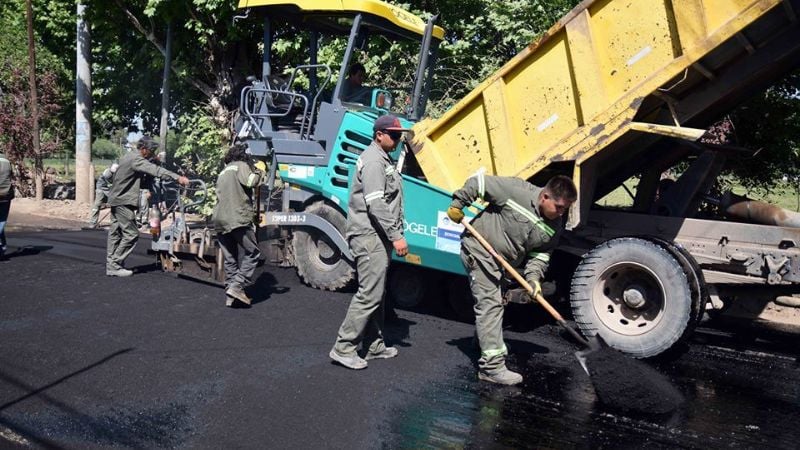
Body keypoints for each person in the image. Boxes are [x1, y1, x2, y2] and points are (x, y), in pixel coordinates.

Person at [447, 174, 577, 385]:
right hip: (479, 250)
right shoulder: (515, 191)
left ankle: (482, 343)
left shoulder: (555, 225)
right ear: (545, 197)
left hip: (503, 263)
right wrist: (458, 203)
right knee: (491, 304)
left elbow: (541, 255)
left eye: (566, 209)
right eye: (559, 207)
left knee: (498, 301)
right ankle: (492, 367)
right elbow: (479, 183)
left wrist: (534, 279)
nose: (562, 213)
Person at [329, 114, 410, 370]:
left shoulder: (381, 158)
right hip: (369, 234)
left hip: (374, 234)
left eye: (400, 135)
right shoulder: (375, 161)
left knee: (377, 292)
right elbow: (376, 204)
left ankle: (374, 346)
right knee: (369, 294)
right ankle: (344, 348)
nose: (398, 139)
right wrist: (396, 235)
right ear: (379, 135)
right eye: (394, 135)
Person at [106, 136, 189, 277]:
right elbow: (155, 170)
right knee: (131, 234)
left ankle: (111, 264)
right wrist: (177, 178)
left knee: (115, 233)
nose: (152, 153)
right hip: (123, 201)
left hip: (116, 199)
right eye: (151, 151)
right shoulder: (137, 159)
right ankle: (114, 264)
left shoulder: (128, 156)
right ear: (143, 149)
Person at [212, 143, 266, 307]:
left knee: (230, 259)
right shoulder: (240, 166)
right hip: (237, 219)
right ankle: (237, 286)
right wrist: (260, 171)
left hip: (220, 219)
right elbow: (251, 181)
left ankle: (230, 295)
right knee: (253, 253)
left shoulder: (224, 170)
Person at [88, 163, 119, 227]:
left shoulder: (116, 173)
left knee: (115, 205)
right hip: (101, 189)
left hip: (109, 189)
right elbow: (111, 185)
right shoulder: (107, 174)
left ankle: (114, 222)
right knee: (97, 205)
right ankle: (93, 222)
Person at [0, 151, 14, 261]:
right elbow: (11, 176)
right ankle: (2, 248)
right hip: (5, 195)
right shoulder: (7, 161)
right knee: (1, 221)